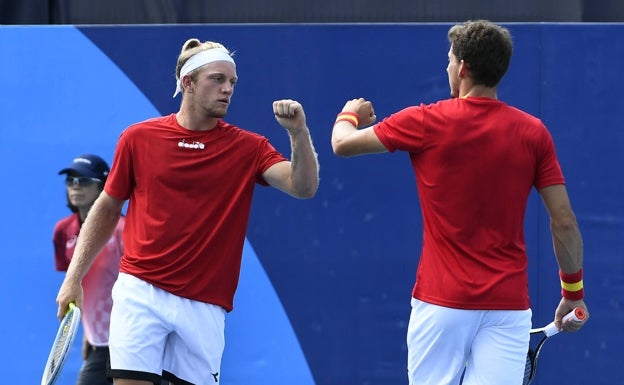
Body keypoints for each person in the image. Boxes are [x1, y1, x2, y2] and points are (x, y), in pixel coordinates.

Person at [330, 20, 588, 385]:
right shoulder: (534, 133)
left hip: (441, 304)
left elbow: (341, 143)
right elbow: (563, 222)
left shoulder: (424, 120)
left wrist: (350, 113)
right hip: (507, 307)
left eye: (450, 60)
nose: (447, 67)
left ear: (463, 68)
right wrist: (572, 292)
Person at [55, 38, 319, 385]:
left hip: (204, 303)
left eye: (232, 83)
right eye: (218, 79)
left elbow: (303, 187)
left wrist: (298, 133)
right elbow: (105, 209)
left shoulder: (249, 147)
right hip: (140, 290)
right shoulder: (138, 138)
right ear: (188, 83)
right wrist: (73, 279)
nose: (228, 89)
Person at [54, 154, 124, 385]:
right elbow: (76, 286)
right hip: (99, 345)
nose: (75, 186)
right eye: (70, 180)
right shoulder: (63, 231)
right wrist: (87, 329)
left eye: (83, 180)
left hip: (133, 340)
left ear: (103, 186)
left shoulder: (125, 228)